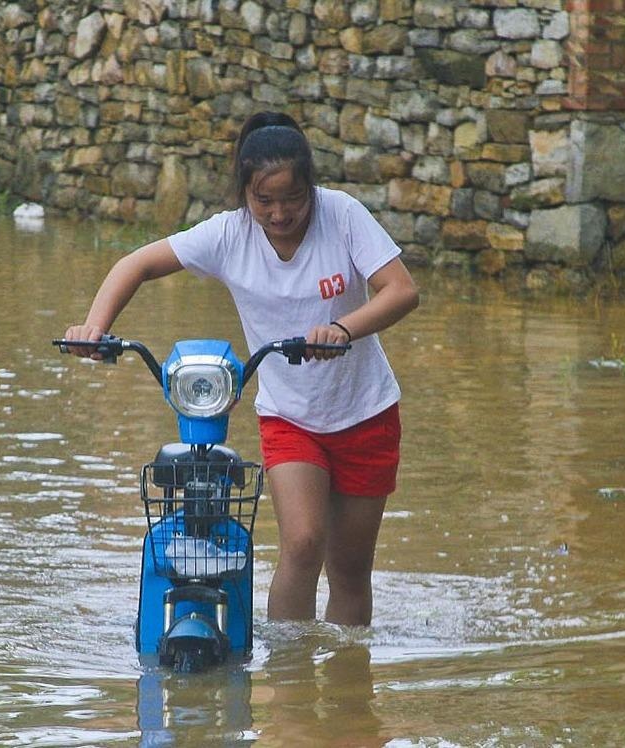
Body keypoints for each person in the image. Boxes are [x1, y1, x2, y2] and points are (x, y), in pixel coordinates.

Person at [63, 111, 419, 626]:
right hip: (289, 417)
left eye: (292, 199)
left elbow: (402, 290)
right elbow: (135, 265)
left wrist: (343, 329)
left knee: (349, 569)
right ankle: (290, 685)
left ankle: (346, 691)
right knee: (302, 544)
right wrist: (94, 328)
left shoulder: (343, 216)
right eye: (264, 201)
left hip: (366, 412)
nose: (278, 213)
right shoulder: (228, 235)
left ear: (312, 190)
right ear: (244, 194)